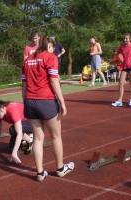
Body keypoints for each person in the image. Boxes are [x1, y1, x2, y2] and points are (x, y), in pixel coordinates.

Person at [22, 35, 74, 182]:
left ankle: (40, 173)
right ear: (50, 46)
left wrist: (25, 100)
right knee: (56, 136)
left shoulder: (27, 60)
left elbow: (24, 85)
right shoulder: (51, 58)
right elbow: (54, 80)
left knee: (38, 139)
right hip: (45, 101)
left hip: (29, 102)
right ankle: (60, 168)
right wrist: (62, 102)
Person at [111, 33, 131, 107]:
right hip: (124, 67)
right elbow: (117, 54)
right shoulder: (122, 46)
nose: (125, 40)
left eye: (126, 38)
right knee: (121, 84)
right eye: (124, 38)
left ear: (130, 39)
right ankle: (120, 101)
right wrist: (121, 62)